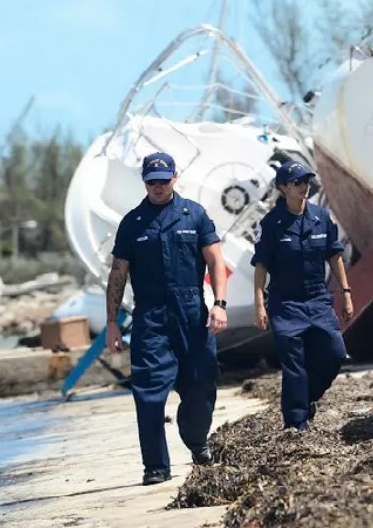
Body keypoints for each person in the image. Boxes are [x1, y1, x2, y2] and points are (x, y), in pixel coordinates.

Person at [104, 151, 229, 485]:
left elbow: (217, 261)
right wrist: (112, 323)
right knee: (147, 390)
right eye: (151, 182)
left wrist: (219, 303)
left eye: (163, 180)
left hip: (192, 312)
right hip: (151, 315)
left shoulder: (195, 214)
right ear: (144, 182)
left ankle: (196, 440)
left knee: (201, 384)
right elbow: (118, 274)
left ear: (175, 177)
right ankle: (156, 466)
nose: (158, 187)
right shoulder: (133, 223)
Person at [251, 160, 354, 431]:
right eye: (297, 182)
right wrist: (259, 304)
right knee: (294, 363)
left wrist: (346, 293)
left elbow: (334, 256)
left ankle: (307, 398)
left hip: (318, 298)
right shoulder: (271, 224)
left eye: (306, 181)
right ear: (283, 187)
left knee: (335, 353)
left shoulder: (321, 217)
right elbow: (261, 265)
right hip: (285, 302)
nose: (304, 186)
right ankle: (296, 422)